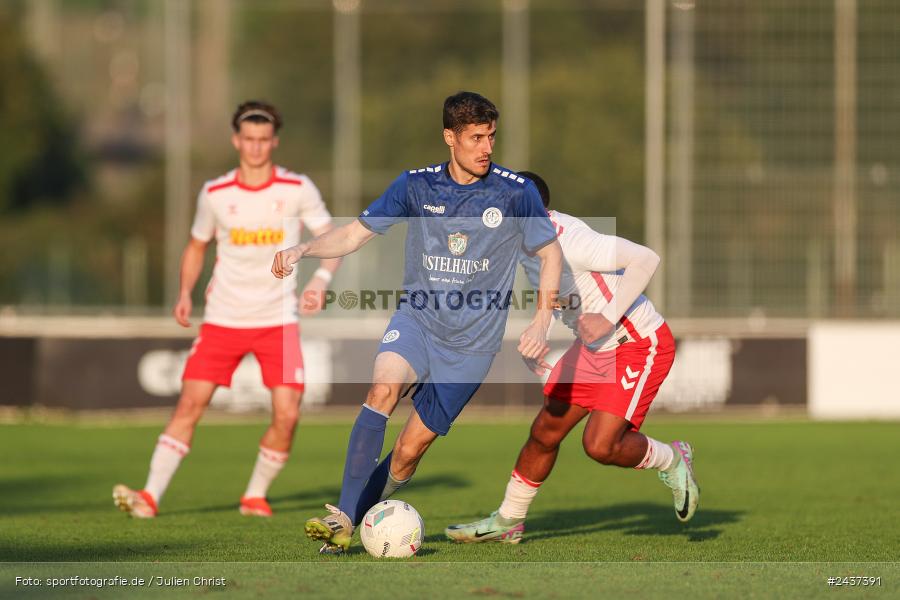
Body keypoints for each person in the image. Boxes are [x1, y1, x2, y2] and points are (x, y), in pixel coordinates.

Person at [271, 91, 563, 554]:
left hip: (471, 347)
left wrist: (542, 319)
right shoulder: (415, 185)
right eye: (475, 138)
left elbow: (551, 254)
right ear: (450, 137)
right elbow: (353, 234)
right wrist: (302, 249)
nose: (486, 148)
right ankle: (344, 518)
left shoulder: (515, 191)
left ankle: (364, 512)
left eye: (491, 137)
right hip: (419, 320)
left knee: (408, 453)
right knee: (381, 391)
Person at [113, 100, 340, 519]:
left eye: (263, 140)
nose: (255, 147)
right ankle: (149, 496)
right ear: (237, 140)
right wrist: (184, 292)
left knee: (287, 415)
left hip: (278, 323)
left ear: (274, 142)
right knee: (189, 407)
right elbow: (197, 245)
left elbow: (331, 238)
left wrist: (321, 281)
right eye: (248, 139)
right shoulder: (215, 194)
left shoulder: (296, 189)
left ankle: (254, 495)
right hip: (223, 320)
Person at [445, 171, 698, 544]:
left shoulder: (574, 241)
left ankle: (673, 458)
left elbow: (646, 258)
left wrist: (607, 317)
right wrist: (539, 338)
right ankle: (508, 520)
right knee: (545, 431)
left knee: (600, 446)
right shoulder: (519, 244)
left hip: (637, 341)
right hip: (594, 349)